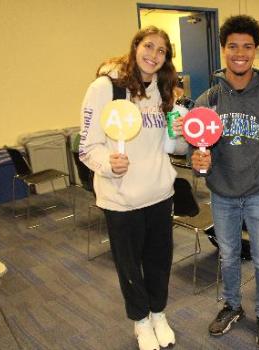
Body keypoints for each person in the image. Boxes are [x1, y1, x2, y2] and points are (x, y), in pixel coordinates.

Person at [79, 26, 187, 350]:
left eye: (161, 51)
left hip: (159, 194)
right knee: (129, 267)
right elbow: (87, 145)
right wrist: (108, 164)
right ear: (135, 46)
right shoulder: (105, 88)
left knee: (159, 262)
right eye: (148, 46)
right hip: (121, 199)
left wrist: (180, 132)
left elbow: (173, 148)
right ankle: (141, 321)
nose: (153, 55)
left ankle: (158, 314)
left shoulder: (165, 91)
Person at [189, 15, 259, 348]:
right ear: (223, 50)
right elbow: (198, 154)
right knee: (228, 256)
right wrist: (198, 164)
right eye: (233, 46)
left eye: (247, 46)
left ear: (255, 51)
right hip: (223, 195)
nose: (240, 53)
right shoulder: (209, 101)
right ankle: (231, 306)